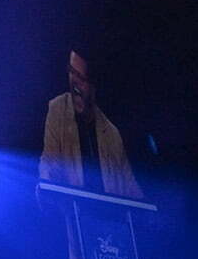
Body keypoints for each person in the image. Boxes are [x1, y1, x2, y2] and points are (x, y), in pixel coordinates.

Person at [38, 49, 142, 200]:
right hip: (74, 218)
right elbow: (49, 163)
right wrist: (46, 186)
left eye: (80, 78)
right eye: (71, 72)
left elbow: (130, 187)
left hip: (106, 220)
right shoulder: (58, 109)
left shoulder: (112, 134)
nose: (74, 84)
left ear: (95, 86)